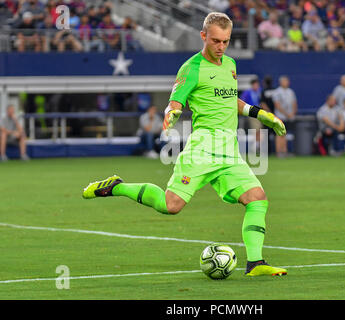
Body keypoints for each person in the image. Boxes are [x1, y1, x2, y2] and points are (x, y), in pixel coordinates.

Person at [82, 12, 287, 277]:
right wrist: (172, 112)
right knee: (171, 206)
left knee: (257, 199)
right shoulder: (191, 68)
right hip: (203, 147)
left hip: (229, 150)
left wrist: (260, 114)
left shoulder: (231, 65)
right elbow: (176, 100)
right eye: (215, 41)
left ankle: (256, 264)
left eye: (225, 41)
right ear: (203, 36)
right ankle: (117, 187)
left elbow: (228, 100)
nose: (220, 47)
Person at [272, 75, 297, 157]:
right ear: (281, 82)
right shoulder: (277, 92)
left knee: (284, 134)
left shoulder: (291, 92)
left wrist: (292, 113)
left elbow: (294, 103)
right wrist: (286, 114)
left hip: (289, 117)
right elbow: (277, 105)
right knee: (279, 134)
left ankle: (284, 151)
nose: (287, 83)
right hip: (280, 116)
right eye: (285, 81)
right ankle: (279, 152)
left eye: (287, 81)